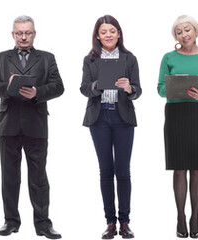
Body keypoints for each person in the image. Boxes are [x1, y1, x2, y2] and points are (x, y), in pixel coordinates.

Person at [0, 15, 64, 239]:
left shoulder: (47, 58)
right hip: (9, 123)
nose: (23, 37)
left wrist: (38, 92)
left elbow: (58, 86)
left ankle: (43, 224)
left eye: (27, 33)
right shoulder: (1, 58)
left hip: (36, 123)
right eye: (19, 33)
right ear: (13, 34)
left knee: (38, 177)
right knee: (9, 176)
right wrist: (9, 87)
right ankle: (10, 221)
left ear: (34, 34)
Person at [157, 15, 198, 239]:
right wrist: (174, 88)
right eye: (179, 32)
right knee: (179, 168)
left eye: (187, 30)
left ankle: (195, 217)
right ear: (175, 36)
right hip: (176, 114)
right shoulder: (168, 57)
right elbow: (159, 89)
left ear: (195, 31)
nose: (184, 35)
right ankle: (180, 217)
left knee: (197, 168)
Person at [78, 15, 139, 239]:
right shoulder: (90, 59)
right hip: (99, 117)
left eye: (112, 31)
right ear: (97, 35)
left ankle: (124, 222)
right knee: (106, 171)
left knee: (123, 171)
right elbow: (84, 88)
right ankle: (110, 223)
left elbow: (138, 90)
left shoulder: (129, 58)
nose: (108, 35)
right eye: (103, 32)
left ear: (119, 33)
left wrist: (129, 88)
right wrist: (97, 85)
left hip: (123, 117)